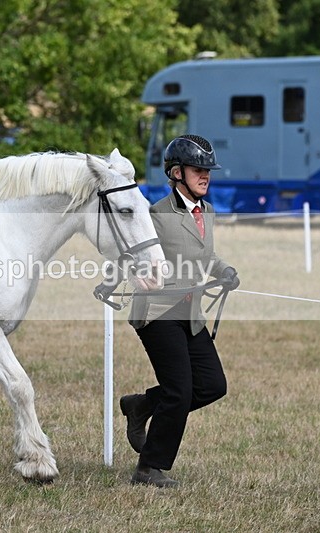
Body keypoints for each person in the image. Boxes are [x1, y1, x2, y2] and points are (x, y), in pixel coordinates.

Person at [120, 134, 240, 488]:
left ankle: (141, 405)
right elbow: (131, 252)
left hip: (190, 314)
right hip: (157, 313)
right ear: (175, 173)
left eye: (208, 169)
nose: (205, 175)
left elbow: (206, 256)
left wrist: (224, 271)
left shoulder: (208, 211)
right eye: (197, 169)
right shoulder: (156, 214)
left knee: (213, 385)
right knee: (180, 390)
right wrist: (135, 273)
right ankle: (148, 468)